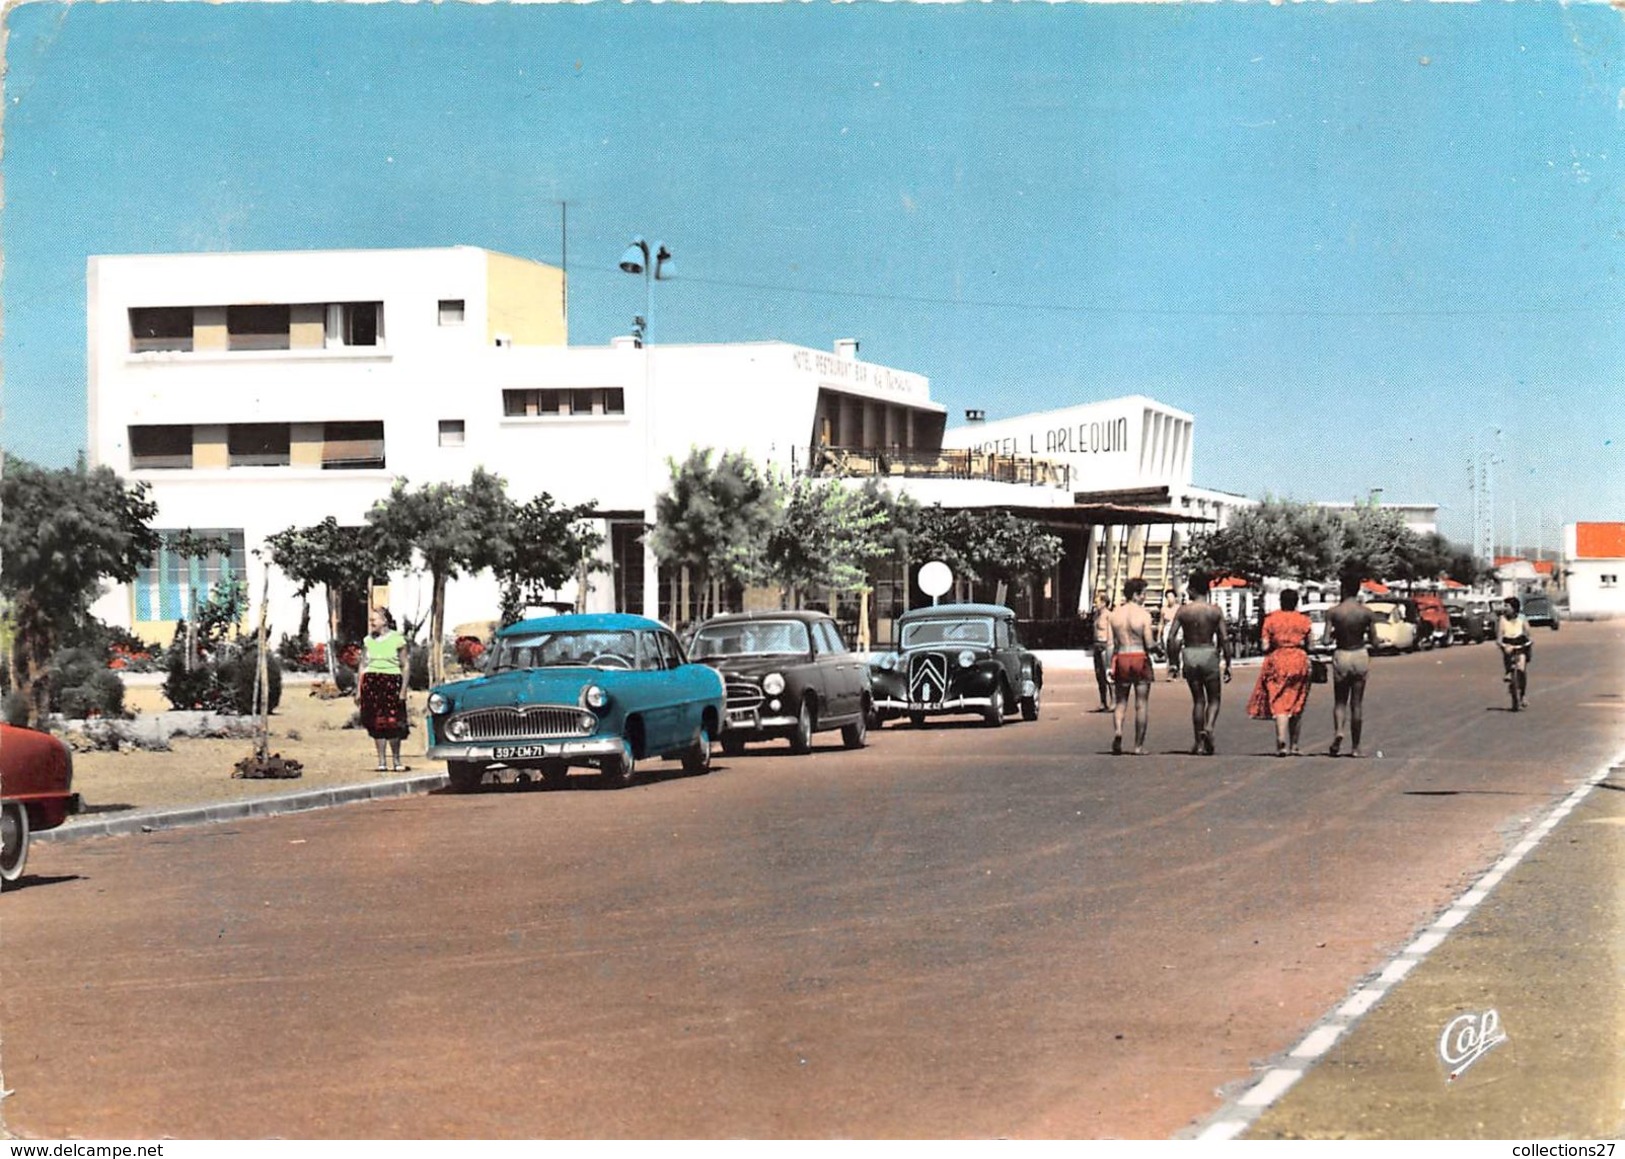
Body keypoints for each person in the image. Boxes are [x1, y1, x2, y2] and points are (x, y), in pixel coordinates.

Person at [1165, 571, 1232, 754]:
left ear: (1193, 589)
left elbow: (1171, 637)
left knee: (1198, 700)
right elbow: (1224, 639)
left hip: (1190, 653)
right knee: (1214, 698)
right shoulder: (1215, 611)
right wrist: (1228, 662)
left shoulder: (1184, 611)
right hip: (1209, 652)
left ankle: (1199, 742)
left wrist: (1173, 662)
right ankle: (1209, 726)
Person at [1247, 587, 1314, 757]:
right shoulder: (1304, 620)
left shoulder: (1271, 620)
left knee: (1279, 702)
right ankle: (1295, 745)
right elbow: (1311, 645)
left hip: (1277, 660)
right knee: (1297, 701)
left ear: (1280, 602)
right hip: (1299, 660)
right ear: (1297, 602)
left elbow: (1265, 646)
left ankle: (1281, 741)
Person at [1322, 574, 1381, 757]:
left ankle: (1339, 730)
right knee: (1357, 703)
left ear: (1344, 589)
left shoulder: (1333, 612)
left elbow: (1324, 640)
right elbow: (1375, 641)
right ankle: (1356, 747)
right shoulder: (1366, 613)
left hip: (1342, 654)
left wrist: (1333, 636)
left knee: (1340, 701)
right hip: (1359, 655)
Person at [357, 606, 411, 772]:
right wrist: (359, 689)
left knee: (393, 723)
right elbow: (362, 665)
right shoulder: (368, 640)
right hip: (372, 682)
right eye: (371, 619)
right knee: (376, 724)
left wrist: (403, 690)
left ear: (385, 620)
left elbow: (405, 665)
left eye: (375, 619)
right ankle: (381, 761)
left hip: (391, 681)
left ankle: (396, 760)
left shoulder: (397, 639)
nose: (372, 622)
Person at [1108, 578, 1156, 755]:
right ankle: (1138, 746)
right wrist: (1158, 648)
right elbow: (1150, 644)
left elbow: (1111, 644)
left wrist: (1109, 666)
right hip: (1139, 656)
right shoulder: (1144, 615)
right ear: (1136, 595)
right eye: (1143, 593)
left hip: (1121, 656)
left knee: (1120, 701)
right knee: (1141, 703)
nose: (1144, 597)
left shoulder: (1114, 615)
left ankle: (1119, 731)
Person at [1497, 595, 1534, 708]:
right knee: (1507, 653)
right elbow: (1499, 636)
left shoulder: (1522, 618)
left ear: (1514, 608)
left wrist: (1529, 641)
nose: (1505, 608)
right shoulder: (1502, 619)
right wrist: (1502, 644)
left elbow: (1528, 633)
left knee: (1522, 670)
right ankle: (1508, 671)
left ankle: (1522, 695)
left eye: (1507, 606)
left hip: (1520, 644)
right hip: (1508, 643)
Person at [1089, 593, 1115, 713]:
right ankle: (1103, 701)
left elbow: (1110, 632)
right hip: (1097, 645)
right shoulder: (1096, 615)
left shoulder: (1108, 615)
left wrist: (1109, 647)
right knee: (1099, 675)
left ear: (1104, 603)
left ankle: (1113, 701)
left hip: (1106, 645)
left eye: (1098, 602)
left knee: (1108, 674)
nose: (1096, 604)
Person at [1160, 588, 1182, 681]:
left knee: (1177, 650)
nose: (1170, 599)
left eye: (1171, 596)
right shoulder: (1164, 609)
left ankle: (1177, 670)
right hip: (1167, 629)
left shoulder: (1179, 608)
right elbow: (1161, 623)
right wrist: (1159, 636)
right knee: (1168, 650)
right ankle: (1170, 671)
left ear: (1175, 598)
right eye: (1168, 597)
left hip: (1178, 630)